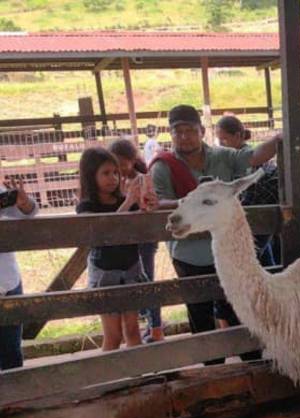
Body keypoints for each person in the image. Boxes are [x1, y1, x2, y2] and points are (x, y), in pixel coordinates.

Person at [151, 105, 280, 365]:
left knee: (240, 313)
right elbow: (159, 202)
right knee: (200, 316)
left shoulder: (224, 156)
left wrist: (280, 140)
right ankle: (213, 374)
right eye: (178, 131)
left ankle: (253, 368)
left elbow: (253, 157)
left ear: (201, 131)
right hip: (189, 256)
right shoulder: (164, 167)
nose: (185, 136)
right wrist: (194, 204)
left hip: (227, 256)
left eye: (190, 130)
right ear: (171, 134)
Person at [76, 147, 154, 352]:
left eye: (115, 172)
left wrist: (147, 202)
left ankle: (140, 380)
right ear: (91, 176)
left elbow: (142, 225)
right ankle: (113, 381)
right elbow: (102, 233)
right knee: (114, 336)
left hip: (131, 269)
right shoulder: (86, 206)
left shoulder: (124, 200)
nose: (113, 178)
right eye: (106, 173)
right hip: (105, 274)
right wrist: (129, 202)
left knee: (133, 331)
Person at [109, 138, 164, 343]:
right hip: (125, 242)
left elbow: (148, 207)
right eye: (115, 164)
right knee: (131, 284)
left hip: (144, 238)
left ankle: (156, 329)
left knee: (147, 280)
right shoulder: (114, 182)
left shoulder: (142, 180)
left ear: (132, 161)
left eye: (123, 163)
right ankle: (139, 329)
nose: (119, 168)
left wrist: (132, 199)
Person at [216, 115, 279, 267]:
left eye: (224, 139)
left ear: (238, 136)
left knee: (252, 257)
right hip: (260, 217)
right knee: (264, 258)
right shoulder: (236, 159)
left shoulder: (250, 161)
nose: (221, 144)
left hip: (255, 216)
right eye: (219, 140)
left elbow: (250, 194)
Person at [0, 177, 38, 371]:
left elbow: (29, 215)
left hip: (7, 283)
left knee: (11, 352)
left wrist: (24, 203)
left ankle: (15, 400)